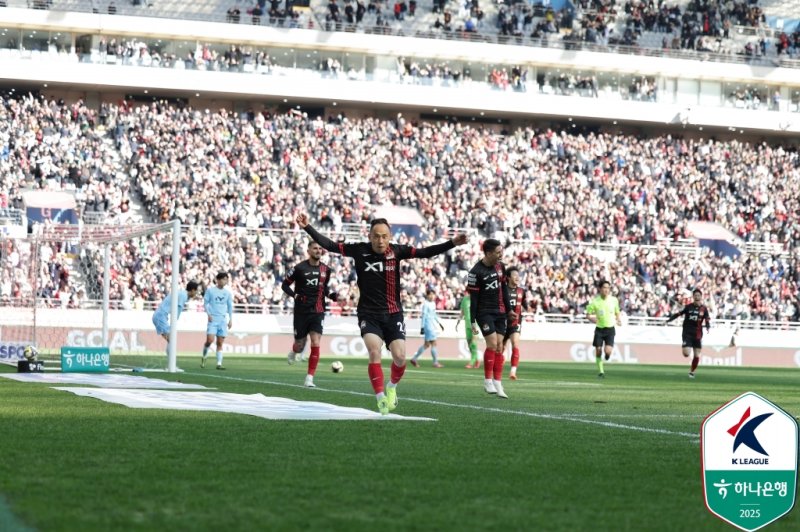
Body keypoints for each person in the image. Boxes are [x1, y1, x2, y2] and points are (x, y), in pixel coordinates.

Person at [297, 213, 468, 414]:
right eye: (376, 236)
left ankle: (392, 387)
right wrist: (308, 227)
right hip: (368, 314)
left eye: (384, 236)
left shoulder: (397, 251)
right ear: (369, 236)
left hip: (393, 314)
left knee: (400, 357)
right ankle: (380, 398)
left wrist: (452, 243)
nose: (380, 240)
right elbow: (331, 245)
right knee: (374, 351)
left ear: (390, 236)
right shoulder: (359, 250)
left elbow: (425, 252)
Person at [281, 241, 339, 388]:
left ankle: (309, 378)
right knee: (300, 345)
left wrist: (331, 295)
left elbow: (323, 288)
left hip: (318, 310)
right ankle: (294, 351)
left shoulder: (326, 269)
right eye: (315, 248)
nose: (318, 250)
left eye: (320, 248)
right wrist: (295, 296)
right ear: (308, 250)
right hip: (301, 311)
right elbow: (284, 285)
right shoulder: (299, 268)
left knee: (315, 342)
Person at [467, 239, 516, 399]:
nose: (501, 254)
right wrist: (472, 320)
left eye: (501, 251)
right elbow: (473, 299)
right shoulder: (475, 272)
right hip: (484, 312)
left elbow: (504, 289)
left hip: (500, 311)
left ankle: (498, 382)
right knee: (493, 344)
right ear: (488, 253)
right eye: (498, 252)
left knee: (500, 347)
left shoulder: (500, 267)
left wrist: (509, 310)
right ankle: (488, 380)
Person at [666, 288, 711, 379]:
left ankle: (692, 372)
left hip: (698, 334)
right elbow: (678, 314)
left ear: (701, 297)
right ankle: (688, 349)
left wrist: (707, 326)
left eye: (698, 295)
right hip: (687, 333)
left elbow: (707, 319)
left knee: (697, 355)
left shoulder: (704, 309)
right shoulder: (688, 307)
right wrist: (669, 320)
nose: (697, 297)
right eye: (695, 295)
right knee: (686, 354)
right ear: (693, 297)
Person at [152, 280, 200, 358]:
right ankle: (171, 365)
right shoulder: (183, 295)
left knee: (171, 340)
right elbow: (178, 309)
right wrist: (174, 323)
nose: (196, 293)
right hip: (160, 316)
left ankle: (171, 364)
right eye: (196, 291)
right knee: (172, 339)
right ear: (192, 290)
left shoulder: (181, 293)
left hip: (160, 316)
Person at [585, 280, 621, 378]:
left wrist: (618, 319)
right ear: (600, 289)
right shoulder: (595, 302)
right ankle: (601, 372)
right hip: (599, 329)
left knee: (607, 351)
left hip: (610, 329)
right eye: (604, 287)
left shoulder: (614, 300)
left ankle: (607, 355)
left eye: (608, 288)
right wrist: (592, 319)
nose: (606, 290)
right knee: (598, 351)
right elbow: (587, 315)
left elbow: (617, 311)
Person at [202, 272, 233, 370]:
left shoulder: (227, 293)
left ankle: (219, 364)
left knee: (220, 343)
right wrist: (208, 314)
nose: (225, 281)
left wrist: (230, 319)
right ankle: (204, 356)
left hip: (223, 320)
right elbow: (205, 303)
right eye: (223, 279)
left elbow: (229, 306)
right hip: (213, 319)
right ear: (218, 280)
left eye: (226, 279)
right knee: (209, 340)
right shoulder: (211, 291)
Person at [502, 267, 526, 380]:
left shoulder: (521, 291)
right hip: (502, 321)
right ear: (508, 277)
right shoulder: (502, 290)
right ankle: (498, 367)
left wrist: (529, 307)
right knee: (500, 348)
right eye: (514, 275)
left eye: (518, 275)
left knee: (515, 343)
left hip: (515, 322)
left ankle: (513, 371)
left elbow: (524, 304)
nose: (517, 277)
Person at [410, 289, 444, 368]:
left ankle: (414, 359)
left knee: (427, 344)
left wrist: (439, 323)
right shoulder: (426, 304)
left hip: (432, 325)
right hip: (428, 326)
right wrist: (422, 327)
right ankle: (435, 362)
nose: (432, 296)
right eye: (430, 294)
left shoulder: (433, 303)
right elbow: (424, 316)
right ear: (427, 295)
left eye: (433, 294)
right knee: (434, 343)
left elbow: (434, 314)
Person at [456, 292, 480, 369]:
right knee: (470, 344)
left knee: (473, 343)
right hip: (467, 325)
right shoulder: (464, 300)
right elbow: (462, 312)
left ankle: (471, 362)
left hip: (475, 324)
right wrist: (458, 321)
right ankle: (476, 359)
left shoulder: (478, 299)